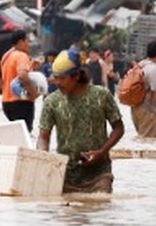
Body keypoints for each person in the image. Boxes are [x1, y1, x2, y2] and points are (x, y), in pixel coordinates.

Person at [37, 51, 125, 194]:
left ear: (76, 76)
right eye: (55, 77)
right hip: (65, 177)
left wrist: (102, 152)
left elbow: (118, 128)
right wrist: (43, 158)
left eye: (62, 78)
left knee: (101, 203)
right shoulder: (52, 102)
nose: (57, 83)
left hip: (99, 174)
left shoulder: (101, 95)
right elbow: (43, 136)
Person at [128, 41, 156, 139]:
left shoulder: (140, 65)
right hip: (150, 111)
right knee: (151, 140)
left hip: (136, 109)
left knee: (142, 139)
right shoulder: (154, 69)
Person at [0, 33, 38, 130]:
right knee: (25, 135)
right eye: (27, 41)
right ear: (21, 42)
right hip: (21, 102)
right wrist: (33, 93)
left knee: (17, 134)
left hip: (7, 102)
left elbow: (11, 75)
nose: (29, 45)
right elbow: (22, 76)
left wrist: (31, 67)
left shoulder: (6, 56)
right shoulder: (21, 55)